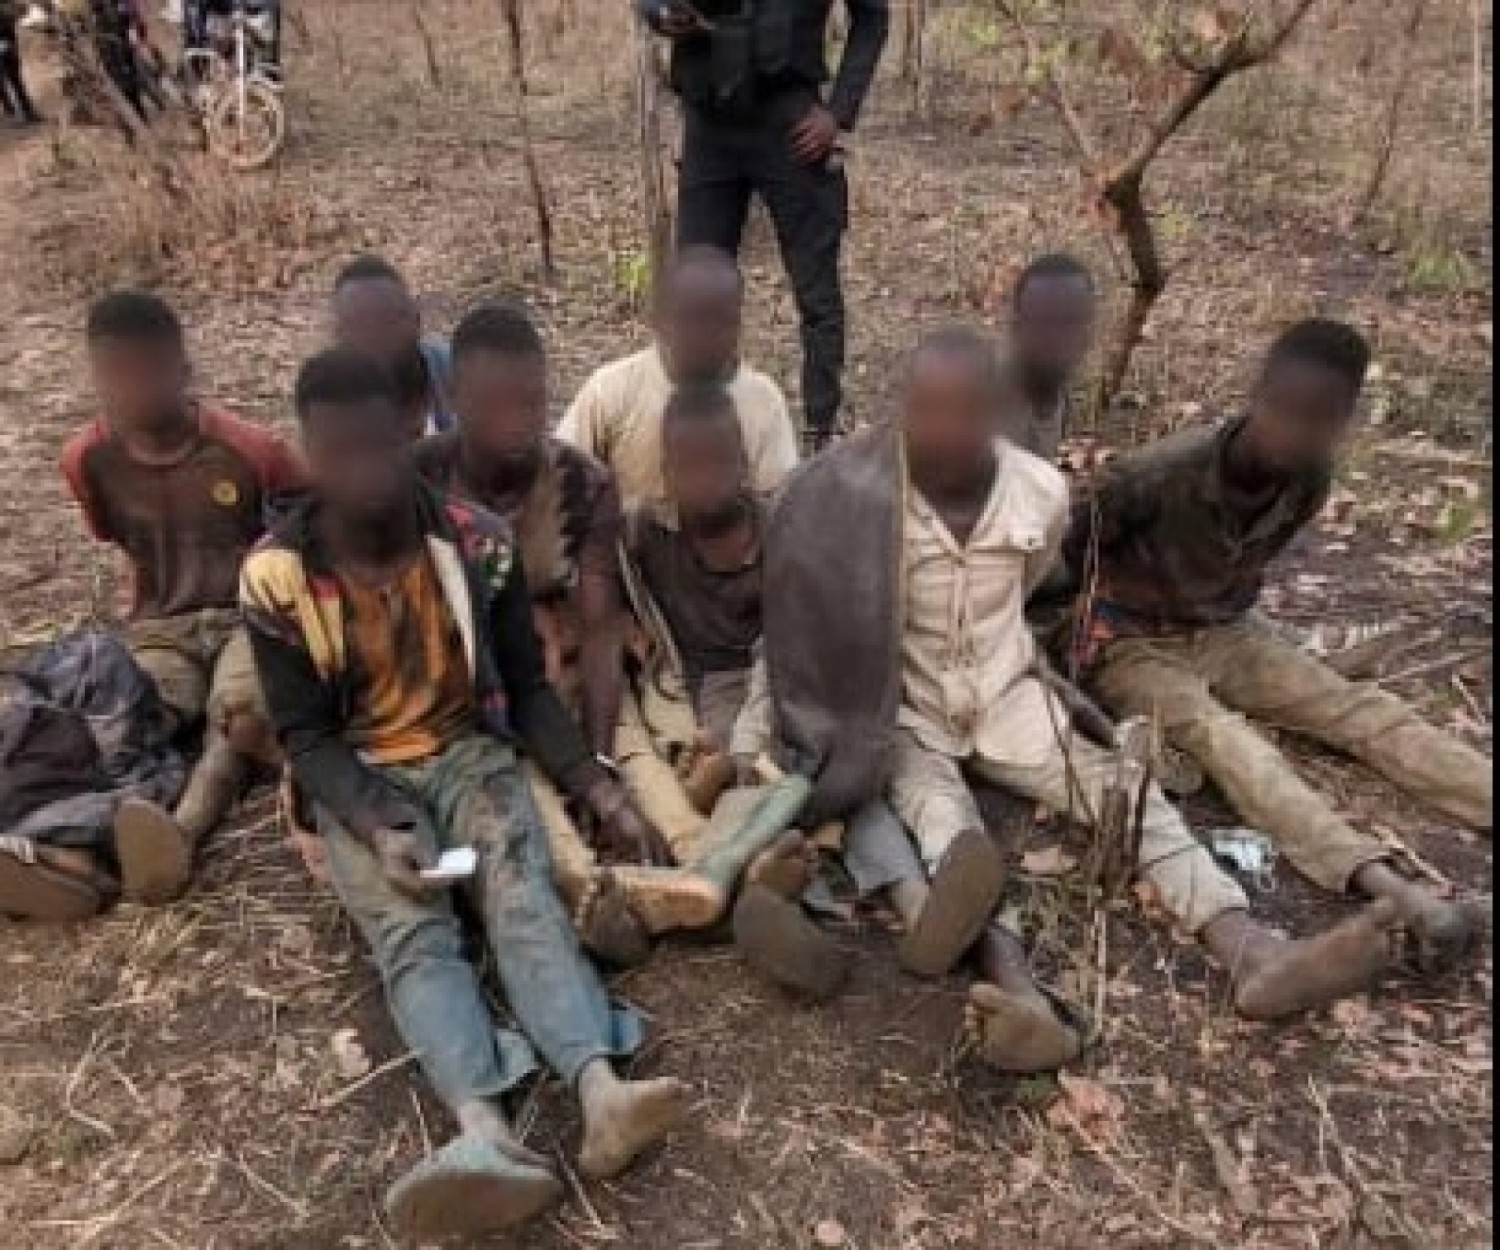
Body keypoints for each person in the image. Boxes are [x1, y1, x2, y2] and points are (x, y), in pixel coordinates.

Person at [752, 327, 1403, 1072]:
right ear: (902, 408)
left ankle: (1248, 946)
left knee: (1133, 798)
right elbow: (816, 606)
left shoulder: (1037, 492)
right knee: (952, 840)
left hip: (1006, 693)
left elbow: (1031, 583)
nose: (947, 431)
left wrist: (1015, 666)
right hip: (905, 709)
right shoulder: (855, 496)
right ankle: (1019, 995)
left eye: (969, 412)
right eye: (928, 411)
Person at [241, 350, 689, 1239]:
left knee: (523, 897)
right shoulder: (276, 577)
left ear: (412, 434)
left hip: (464, 752)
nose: (362, 473)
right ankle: (481, 1133)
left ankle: (600, 1090)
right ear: (308, 457)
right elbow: (308, 737)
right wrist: (373, 821)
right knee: (414, 935)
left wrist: (596, 788)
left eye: (378, 448)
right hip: (361, 772)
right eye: (338, 455)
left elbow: (525, 692)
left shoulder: (476, 545)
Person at [415, 304, 825, 986]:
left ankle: (723, 872)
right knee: (533, 809)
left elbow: (602, 630)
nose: (519, 423)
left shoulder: (580, 481)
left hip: (578, 677)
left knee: (653, 790)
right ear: (454, 400)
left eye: (533, 401)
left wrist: (600, 761)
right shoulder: (419, 482)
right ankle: (602, 899)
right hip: (483, 702)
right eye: (495, 406)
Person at [1069, 319, 1492, 973]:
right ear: (1255, 394)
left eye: (1315, 421)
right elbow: (1068, 555)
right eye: (1281, 411)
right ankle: (1387, 887)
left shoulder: (1310, 480)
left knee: (1354, 708)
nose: (1291, 433)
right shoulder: (1157, 474)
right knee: (1227, 739)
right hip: (1129, 641)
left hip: (1225, 631)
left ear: (1343, 422)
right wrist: (1072, 639)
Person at [61, 290, 300, 902]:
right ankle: (80, 853)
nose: (134, 388)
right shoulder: (89, 460)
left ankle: (182, 831)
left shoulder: (249, 451)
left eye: (149, 370)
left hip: (248, 618)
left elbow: (306, 510)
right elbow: (111, 532)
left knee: (238, 719)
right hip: (160, 626)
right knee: (129, 722)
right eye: (116, 372)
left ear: (183, 371)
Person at [619, 382, 850, 997]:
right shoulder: (645, 532)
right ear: (665, 471)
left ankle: (744, 883)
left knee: (780, 758)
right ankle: (754, 880)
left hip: (774, 675)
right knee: (700, 761)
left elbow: (795, 642)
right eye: (685, 466)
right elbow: (604, 577)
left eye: (718, 462)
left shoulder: (781, 530)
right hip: (701, 690)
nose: (703, 479)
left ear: (744, 464)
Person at [640, 0, 890, 449]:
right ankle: (697, 430)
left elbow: (872, 15)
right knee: (696, 287)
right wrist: (661, 14)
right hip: (708, 119)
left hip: (792, 124)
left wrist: (838, 112)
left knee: (816, 292)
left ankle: (821, 432)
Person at [559, 245, 798, 509]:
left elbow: (778, 506)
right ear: (658, 320)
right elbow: (560, 474)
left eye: (720, 321)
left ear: (739, 324)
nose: (703, 336)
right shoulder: (612, 390)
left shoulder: (762, 401)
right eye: (689, 319)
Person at [331, 255, 455, 437]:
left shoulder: (459, 371)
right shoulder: (329, 406)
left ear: (417, 320)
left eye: (388, 319)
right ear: (339, 336)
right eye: (359, 324)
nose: (375, 336)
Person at [1001, 253, 1098, 462]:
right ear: (1016, 328)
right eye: (1043, 322)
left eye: (1071, 322)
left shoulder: (1056, 395)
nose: (1055, 338)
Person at [0, 0, 41, 124]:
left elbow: (12, 20)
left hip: (7, 44)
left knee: (16, 80)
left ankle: (26, 111)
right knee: (9, 81)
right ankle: (12, 110)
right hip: (6, 43)